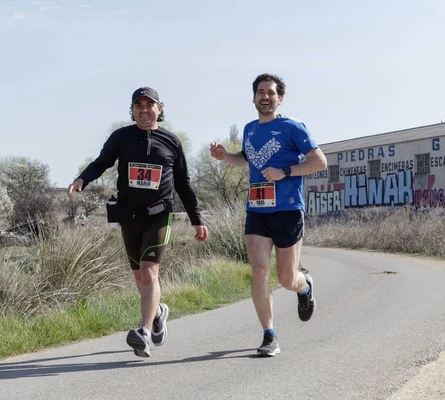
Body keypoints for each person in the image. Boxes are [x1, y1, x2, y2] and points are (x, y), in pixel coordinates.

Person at [68, 87, 209, 357]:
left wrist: (196, 219)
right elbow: (102, 162)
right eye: (138, 105)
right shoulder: (121, 137)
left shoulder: (171, 142)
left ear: (160, 108)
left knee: (149, 273)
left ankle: (143, 332)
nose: (144, 109)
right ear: (131, 110)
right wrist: (81, 179)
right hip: (128, 216)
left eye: (150, 104)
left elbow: (183, 183)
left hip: (159, 215)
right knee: (140, 279)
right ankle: (158, 313)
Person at [210, 73, 327, 357]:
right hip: (257, 210)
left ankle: (304, 285)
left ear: (280, 98)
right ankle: (269, 335)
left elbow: (318, 162)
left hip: (287, 210)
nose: (265, 96)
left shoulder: (292, 127)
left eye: (270, 92)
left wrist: (285, 171)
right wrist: (225, 157)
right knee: (260, 271)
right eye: (260, 92)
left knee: (287, 278)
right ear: (253, 98)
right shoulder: (250, 129)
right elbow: (246, 161)